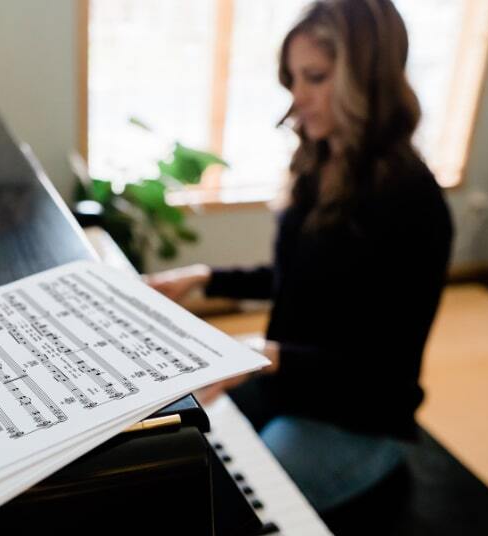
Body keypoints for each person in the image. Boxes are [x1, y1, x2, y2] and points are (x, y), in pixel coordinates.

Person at [146, 0, 452, 513]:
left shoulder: (412, 204)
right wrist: (202, 277)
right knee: (170, 450)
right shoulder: (320, 162)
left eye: (315, 77)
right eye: (292, 79)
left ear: (368, 78)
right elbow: (300, 279)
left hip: (361, 417)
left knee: (228, 506)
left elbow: (385, 374)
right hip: (292, 387)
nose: (297, 98)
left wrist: (262, 355)